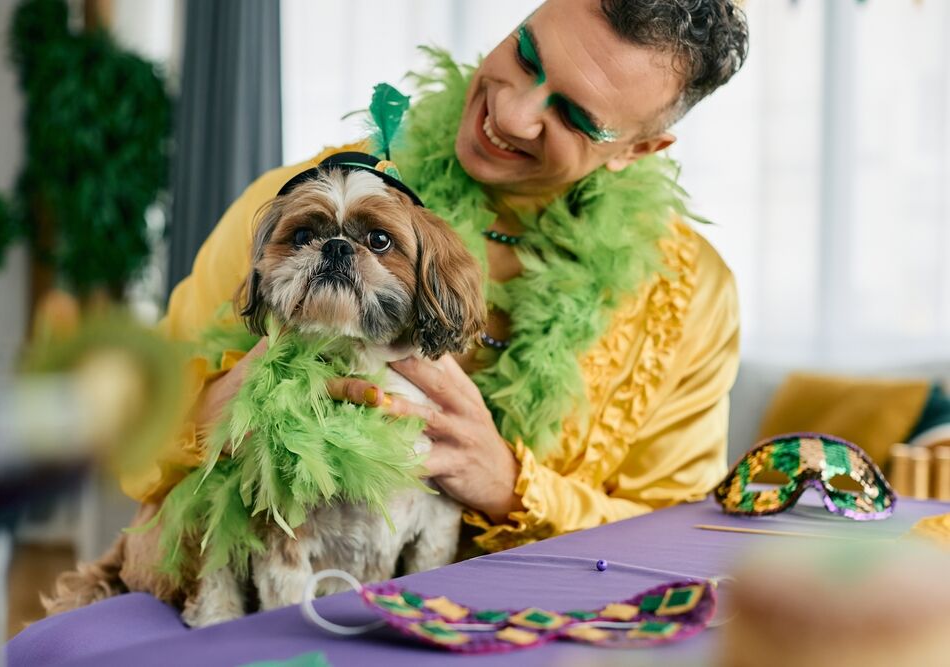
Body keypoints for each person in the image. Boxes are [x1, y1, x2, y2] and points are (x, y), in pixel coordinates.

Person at [123, 0, 749, 555]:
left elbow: (678, 543)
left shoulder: (692, 300)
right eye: (526, 55)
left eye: (576, 117)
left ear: (636, 150)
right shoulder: (303, 211)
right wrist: (211, 412)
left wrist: (510, 484)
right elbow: (128, 430)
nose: (511, 112)